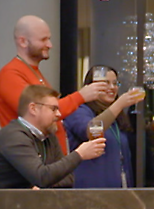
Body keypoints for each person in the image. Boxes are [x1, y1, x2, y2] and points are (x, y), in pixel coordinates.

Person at [0, 15, 110, 153]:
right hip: (31, 160)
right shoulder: (10, 74)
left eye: (49, 39)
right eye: (43, 39)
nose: (50, 45)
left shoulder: (32, 71)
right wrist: (81, 96)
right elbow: (39, 114)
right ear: (23, 41)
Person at [0, 84, 106, 188]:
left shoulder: (49, 136)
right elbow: (42, 177)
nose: (59, 114)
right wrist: (79, 154)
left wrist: (40, 184)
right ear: (33, 109)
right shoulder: (13, 136)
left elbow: (68, 179)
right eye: (53, 109)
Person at [63, 66, 144, 188]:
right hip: (90, 191)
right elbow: (91, 131)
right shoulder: (79, 110)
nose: (112, 88)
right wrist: (120, 104)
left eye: (115, 83)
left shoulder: (117, 118)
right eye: (106, 83)